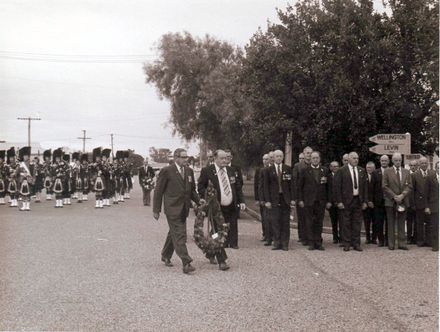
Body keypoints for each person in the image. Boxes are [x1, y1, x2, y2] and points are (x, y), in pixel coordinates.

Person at [153, 148, 201, 274]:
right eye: (183, 157)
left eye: (187, 157)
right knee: (180, 235)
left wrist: (198, 201)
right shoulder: (166, 171)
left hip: (184, 208)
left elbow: (192, 190)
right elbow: (158, 191)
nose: (186, 160)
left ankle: (165, 255)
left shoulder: (189, 171)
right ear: (176, 158)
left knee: (173, 233)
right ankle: (186, 262)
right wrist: (156, 209)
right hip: (172, 208)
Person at [198, 149, 246, 269]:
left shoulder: (230, 171)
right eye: (222, 158)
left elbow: (237, 188)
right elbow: (200, 187)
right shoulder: (207, 171)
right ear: (215, 158)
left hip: (231, 207)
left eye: (226, 158)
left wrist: (241, 201)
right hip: (216, 208)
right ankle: (222, 260)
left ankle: (210, 251)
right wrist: (208, 196)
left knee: (224, 231)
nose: (225, 160)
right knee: (217, 232)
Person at [333, 152, 368, 252]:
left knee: (357, 222)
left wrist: (365, 201)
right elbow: (337, 187)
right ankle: (346, 243)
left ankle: (356, 243)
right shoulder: (341, 170)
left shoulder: (361, 170)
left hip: (358, 200)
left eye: (357, 158)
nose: (356, 160)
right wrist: (339, 201)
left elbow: (365, 187)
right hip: (346, 200)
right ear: (348, 159)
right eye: (354, 158)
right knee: (346, 222)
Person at [297, 151, 330, 250]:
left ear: (320, 159)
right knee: (309, 222)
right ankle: (311, 242)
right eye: (313, 158)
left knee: (319, 222)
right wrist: (300, 200)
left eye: (317, 158)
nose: (315, 160)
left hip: (320, 201)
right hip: (308, 201)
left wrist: (328, 201)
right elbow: (300, 187)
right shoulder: (305, 170)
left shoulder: (325, 170)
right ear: (310, 159)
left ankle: (318, 242)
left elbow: (328, 187)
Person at [263, 150, 294, 251]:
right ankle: (277, 242)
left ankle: (285, 243)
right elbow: (265, 186)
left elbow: (292, 186)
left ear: (283, 157)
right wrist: (267, 200)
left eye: (280, 156)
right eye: (277, 156)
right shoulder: (268, 170)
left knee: (285, 222)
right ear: (274, 158)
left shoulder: (288, 169)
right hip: (274, 199)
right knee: (275, 221)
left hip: (285, 199)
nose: (279, 158)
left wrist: (292, 199)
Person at [382, 153, 412, 250]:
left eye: (399, 160)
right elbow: (384, 186)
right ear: (392, 161)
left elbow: (410, 186)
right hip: (391, 201)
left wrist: (402, 195)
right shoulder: (387, 171)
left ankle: (402, 243)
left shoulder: (406, 172)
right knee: (390, 223)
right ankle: (391, 244)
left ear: (401, 161)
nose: (398, 162)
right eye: (396, 160)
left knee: (402, 222)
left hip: (403, 200)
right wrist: (395, 196)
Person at [293, 147, 313, 245]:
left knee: (311, 218)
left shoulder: (314, 164)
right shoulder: (298, 166)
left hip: (312, 197)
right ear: (304, 154)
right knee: (302, 218)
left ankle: (310, 237)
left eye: (310, 153)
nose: (309, 155)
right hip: (301, 196)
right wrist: (297, 198)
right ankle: (303, 237)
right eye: (307, 153)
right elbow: (295, 182)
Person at [412, 157, 432, 247]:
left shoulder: (432, 173)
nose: (424, 164)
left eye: (425, 163)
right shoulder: (414, 175)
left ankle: (428, 240)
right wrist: (413, 204)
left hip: (430, 203)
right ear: (419, 164)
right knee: (419, 223)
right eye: (422, 163)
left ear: (427, 164)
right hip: (419, 202)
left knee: (429, 223)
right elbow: (412, 191)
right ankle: (420, 241)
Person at [372, 155, 389, 247]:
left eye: (386, 161)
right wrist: (371, 200)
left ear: (388, 161)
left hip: (389, 201)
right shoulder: (375, 173)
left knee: (389, 221)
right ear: (380, 161)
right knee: (379, 222)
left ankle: (387, 240)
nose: (384, 162)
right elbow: (372, 188)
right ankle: (381, 240)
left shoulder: (391, 171)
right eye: (382, 161)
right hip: (378, 201)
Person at [254, 154, 270, 242]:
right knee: (264, 217)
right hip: (261, 197)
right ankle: (265, 234)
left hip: (269, 198)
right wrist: (257, 198)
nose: (265, 161)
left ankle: (270, 235)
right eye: (264, 159)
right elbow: (256, 185)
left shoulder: (271, 169)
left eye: (267, 159)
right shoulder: (259, 170)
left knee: (270, 217)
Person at [425, 161, 439, 252]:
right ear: (435, 168)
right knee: (434, 226)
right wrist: (427, 206)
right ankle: (435, 245)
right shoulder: (430, 178)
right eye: (438, 167)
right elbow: (426, 193)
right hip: (434, 206)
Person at [17, 147, 34, 211]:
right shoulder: (20, 164)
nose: (25, 157)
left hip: (28, 180)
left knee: (28, 193)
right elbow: (17, 172)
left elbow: (33, 172)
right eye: (24, 156)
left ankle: (28, 206)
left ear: (28, 156)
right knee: (23, 194)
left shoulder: (31, 163)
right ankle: (23, 206)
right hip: (22, 180)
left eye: (26, 156)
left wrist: (32, 179)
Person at [327, 161, 340, 243]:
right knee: (334, 221)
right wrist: (328, 201)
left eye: (336, 166)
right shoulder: (327, 177)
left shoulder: (342, 176)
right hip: (331, 203)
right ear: (330, 167)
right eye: (333, 166)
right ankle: (335, 237)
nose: (335, 168)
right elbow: (327, 190)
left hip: (340, 202)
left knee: (342, 221)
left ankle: (342, 237)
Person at [407, 160, 419, 244]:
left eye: (415, 165)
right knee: (409, 221)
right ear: (409, 166)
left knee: (417, 221)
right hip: (408, 202)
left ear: (417, 166)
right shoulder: (406, 174)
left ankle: (415, 238)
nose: (413, 167)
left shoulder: (419, 175)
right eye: (411, 165)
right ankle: (408, 238)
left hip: (417, 203)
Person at [364, 162, 376, 244]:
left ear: (374, 168)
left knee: (375, 222)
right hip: (366, 203)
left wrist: (373, 202)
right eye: (368, 167)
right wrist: (367, 201)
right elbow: (362, 191)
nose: (369, 169)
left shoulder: (378, 176)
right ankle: (368, 238)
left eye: (371, 167)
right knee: (367, 222)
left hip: (375, 203)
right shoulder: (363, 177)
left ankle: (374, 238)